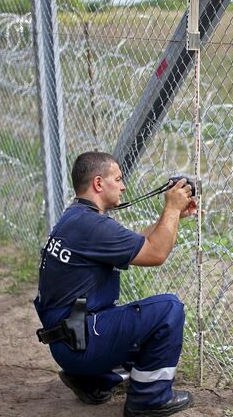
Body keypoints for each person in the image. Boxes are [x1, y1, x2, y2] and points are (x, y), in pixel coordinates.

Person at [34, 151, 196, 417]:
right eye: (118, 179)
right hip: (81, 343)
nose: (123, 186)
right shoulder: (91, 226)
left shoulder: (76, 218)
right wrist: (171, 208)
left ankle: (92, 380)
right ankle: (149, 400)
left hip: (70, 342)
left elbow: (138, 244)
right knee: (168, 309)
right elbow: (156, 254)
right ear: (99, 184)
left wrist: (173, 218)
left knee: (141, 337)